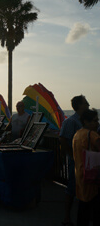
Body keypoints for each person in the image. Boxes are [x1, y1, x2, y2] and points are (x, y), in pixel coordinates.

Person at [60, 95, 90, 226]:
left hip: (88, 161)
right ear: (79, 105)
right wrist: (71, 156)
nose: (88, 105)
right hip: (76, 161)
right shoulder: (71, 122)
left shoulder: (86, 121)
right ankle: (67, 217)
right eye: (85, 103)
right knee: (72, 188)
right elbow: (63, 139)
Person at [72, 109, 100, 226]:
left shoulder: (77, 134)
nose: (97, 123)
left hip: (80, 173)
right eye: (94, 121)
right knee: (94, 206)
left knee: (83, 206)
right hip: (93, 175)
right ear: (86, 121)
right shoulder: (92, 135)